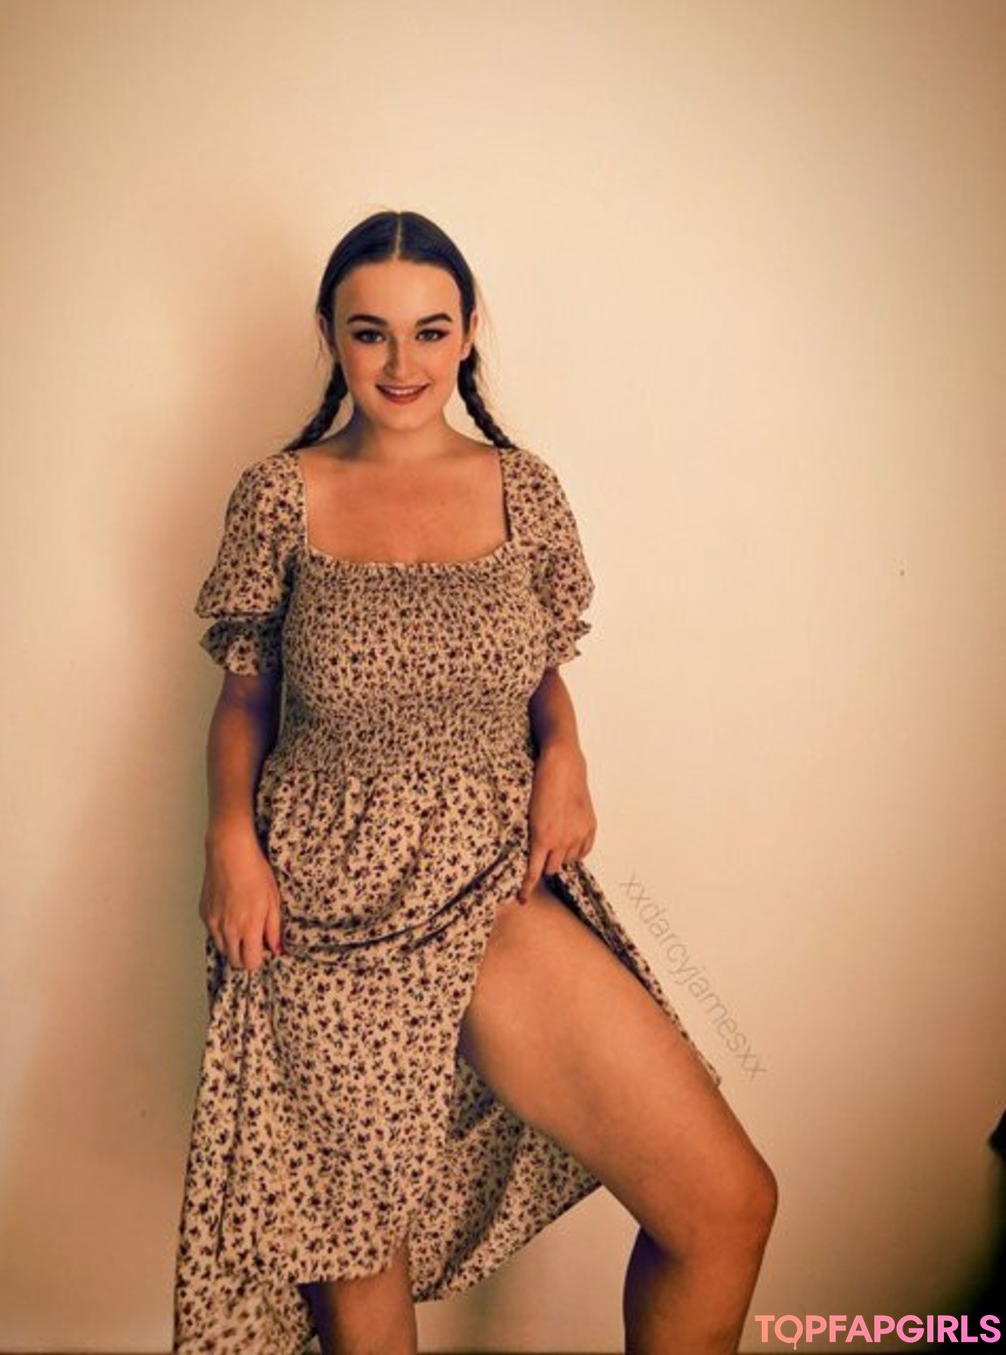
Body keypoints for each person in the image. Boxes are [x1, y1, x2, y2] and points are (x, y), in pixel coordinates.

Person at [172, 210, 777, 1355]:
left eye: (430, 330)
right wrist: (230, 845)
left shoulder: (523, 490)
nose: (402, 362)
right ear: (330, 337)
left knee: (725, 1205)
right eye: (371, 332)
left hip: (491, 878)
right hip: (320, 912)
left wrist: (567, 751)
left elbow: (538, 665)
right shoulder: (278, 495)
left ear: (468, 332)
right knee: (360, 1279)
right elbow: (246, 691)